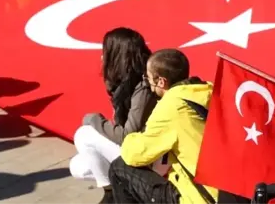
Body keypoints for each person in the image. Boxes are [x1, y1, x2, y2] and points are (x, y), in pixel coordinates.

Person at [108, 49, 218, 204]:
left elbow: (135, 155)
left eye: (147, 77)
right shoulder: (207, 90)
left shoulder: (171, 106)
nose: (148, 83)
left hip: (199, 198)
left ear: (161, 81)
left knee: (118, 168)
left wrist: (132, 137)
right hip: (224, 191)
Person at [70, 28, 157, 202]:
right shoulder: (123, 80)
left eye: (106, 51)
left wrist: (95, 120)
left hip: (149, 155)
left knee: (84, 133)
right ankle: (119, 190)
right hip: (135, 148)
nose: (102, 56)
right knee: (79, 166)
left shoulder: (143, 85)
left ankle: (111, 194)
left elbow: (127, 135)